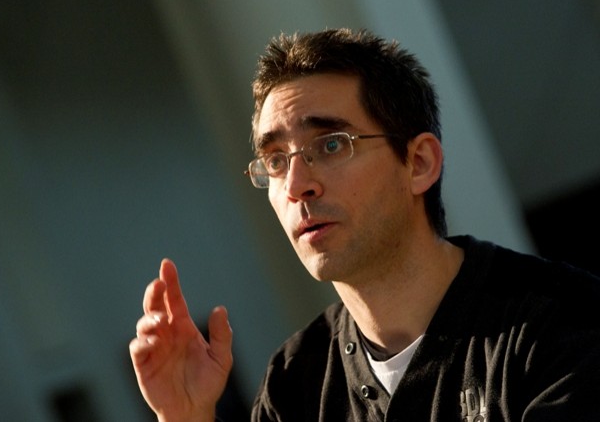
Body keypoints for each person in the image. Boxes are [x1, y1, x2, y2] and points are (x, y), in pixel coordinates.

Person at [129, 28, 600, 421]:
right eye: (275, 161)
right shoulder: (295, 382)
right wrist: (188, 417)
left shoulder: (565, 324)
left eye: (331, 145)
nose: (297, 185)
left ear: (418, 163)